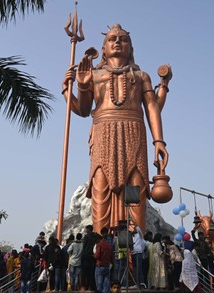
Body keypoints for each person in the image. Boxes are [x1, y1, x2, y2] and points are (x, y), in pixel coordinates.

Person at [62, 23, 171, 233]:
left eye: (123, 39)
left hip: (133, 133)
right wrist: (75, 88)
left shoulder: (141, 76)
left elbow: (152, 107)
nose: (118, 42)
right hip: (104, 132)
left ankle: (136, 245)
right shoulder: (93, 74)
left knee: (135, 187)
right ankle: (100, 240)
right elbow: (83, 110)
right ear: (103, 48)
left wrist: (159, 141)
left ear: (131, 47)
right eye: (112, 39)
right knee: (100, 186)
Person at [94, 227, 114, 293]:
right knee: (106, 285)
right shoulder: (109, 246)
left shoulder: (99, 245)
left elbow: (97, 256)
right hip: (107, 266)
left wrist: (93, 255)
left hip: (100, 266)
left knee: (99, 285)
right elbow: (111, 257)